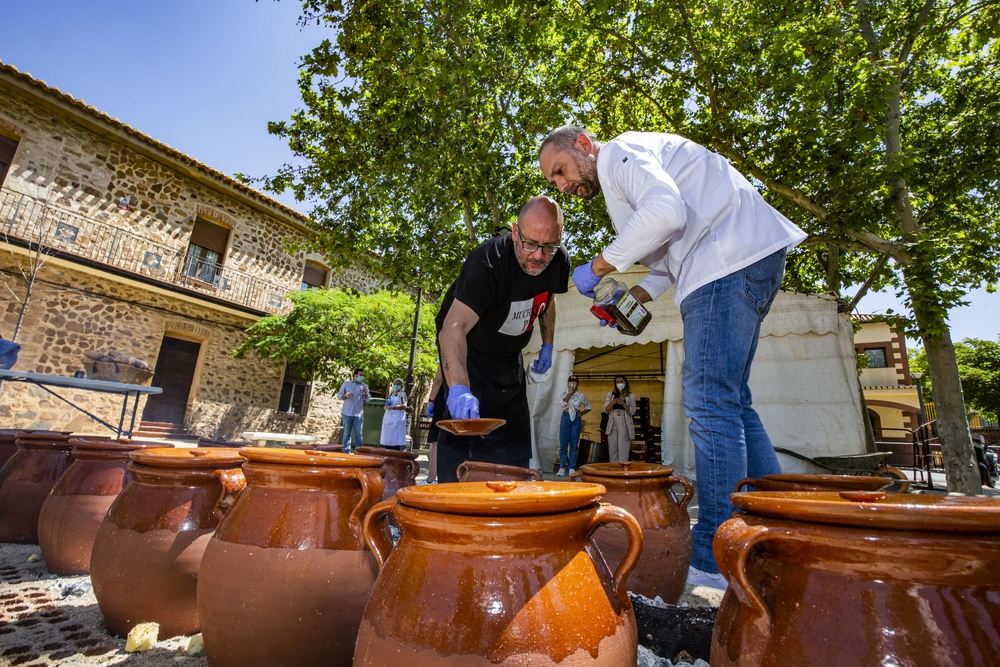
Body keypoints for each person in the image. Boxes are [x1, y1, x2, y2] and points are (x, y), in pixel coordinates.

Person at [539, 127, 807, 590]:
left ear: (583, 144)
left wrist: (599, 264)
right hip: (745, 257)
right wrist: (636, 296)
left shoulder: (619, 154)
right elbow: (666, 253)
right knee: (734, 403)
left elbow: (666, 214)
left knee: (709, 402)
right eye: (553, 182)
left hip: (724, 261)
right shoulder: (628, 181)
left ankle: (715, 557)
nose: (561, 185)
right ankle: (778, 530)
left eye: (559, 171)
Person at [434, 195, 570, 482]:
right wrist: (458, 387)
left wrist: (548, 344)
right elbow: (452, 328)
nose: (537, 256)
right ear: (515, 231)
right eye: (530, 244)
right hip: (470, 356)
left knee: (514, 457)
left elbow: (548, 299)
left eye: (548, 247)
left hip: (509, 361)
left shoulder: (557, 261)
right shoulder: (488, 261)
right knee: (463, 451)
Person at [557, 375, 591, 476]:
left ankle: (571, 467)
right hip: (566, 415)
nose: (572, 384)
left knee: (573, 444)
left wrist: (582, 413)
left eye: (574, 382)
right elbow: (563, 404)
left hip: (576, 417)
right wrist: (569, 393)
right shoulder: (564, 393)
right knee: (563, 444)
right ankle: (562, 467)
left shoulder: (581, 395)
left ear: (577, 384)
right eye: (570, 382)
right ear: (568, 383)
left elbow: (589, 406)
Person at [603, 376, 636, 463]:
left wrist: (624, 403)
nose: (619, 383)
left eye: (621, 381)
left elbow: (632, 411)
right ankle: (613, 469)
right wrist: (612, 402)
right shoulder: (611, 394)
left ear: (625, 383)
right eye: (617, 382)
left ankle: (622, 468)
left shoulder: (631, 396)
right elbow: (606, 410)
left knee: (623, 446)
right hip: (612, 419)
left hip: (624, 420)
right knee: (612, 447)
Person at [337, 368, 369, 453]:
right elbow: (339, 396)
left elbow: (368, 399)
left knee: (358, 434)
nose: (362, 377)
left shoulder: (365, 386)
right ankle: (346, 451)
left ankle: (359, 451)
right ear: (355, 375)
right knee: (347, 433)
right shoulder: (346, 384)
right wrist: (345, 395)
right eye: (361, 375)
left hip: (358, 414)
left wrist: (365, 393)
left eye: (363, 375)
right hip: (347, 413)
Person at [380, 377, 408, 450]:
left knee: (396, 437)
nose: (396, 385)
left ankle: (395, 450)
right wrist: (386, 407)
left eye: (398, 384)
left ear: (401, 385)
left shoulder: (402, 394)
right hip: (389, 417)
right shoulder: (391, 394)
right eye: (395, 384)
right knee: (388, 436)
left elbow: (404, 405)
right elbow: (386, 404)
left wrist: (393, 407)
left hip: (397, 418)